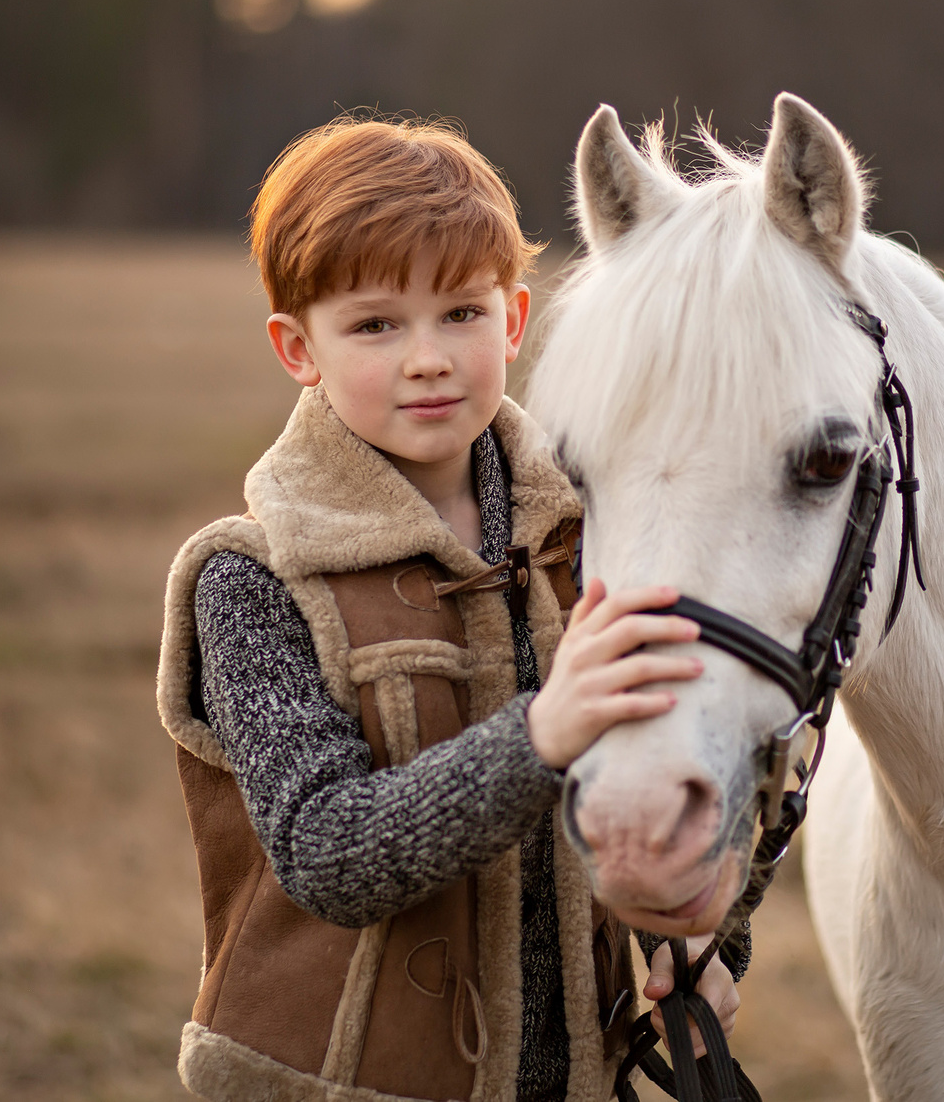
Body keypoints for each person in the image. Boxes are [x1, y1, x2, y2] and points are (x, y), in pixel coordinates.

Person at [154, 115, 741, 1100]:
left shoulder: (590, 534)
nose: (427, 357)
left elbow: (687, 760)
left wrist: (700, 939)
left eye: (461, 313)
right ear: (298, 347)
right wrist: (542, 734)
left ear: (513, 321)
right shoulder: (251, 578)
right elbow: (327, 853)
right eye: (376, 325)